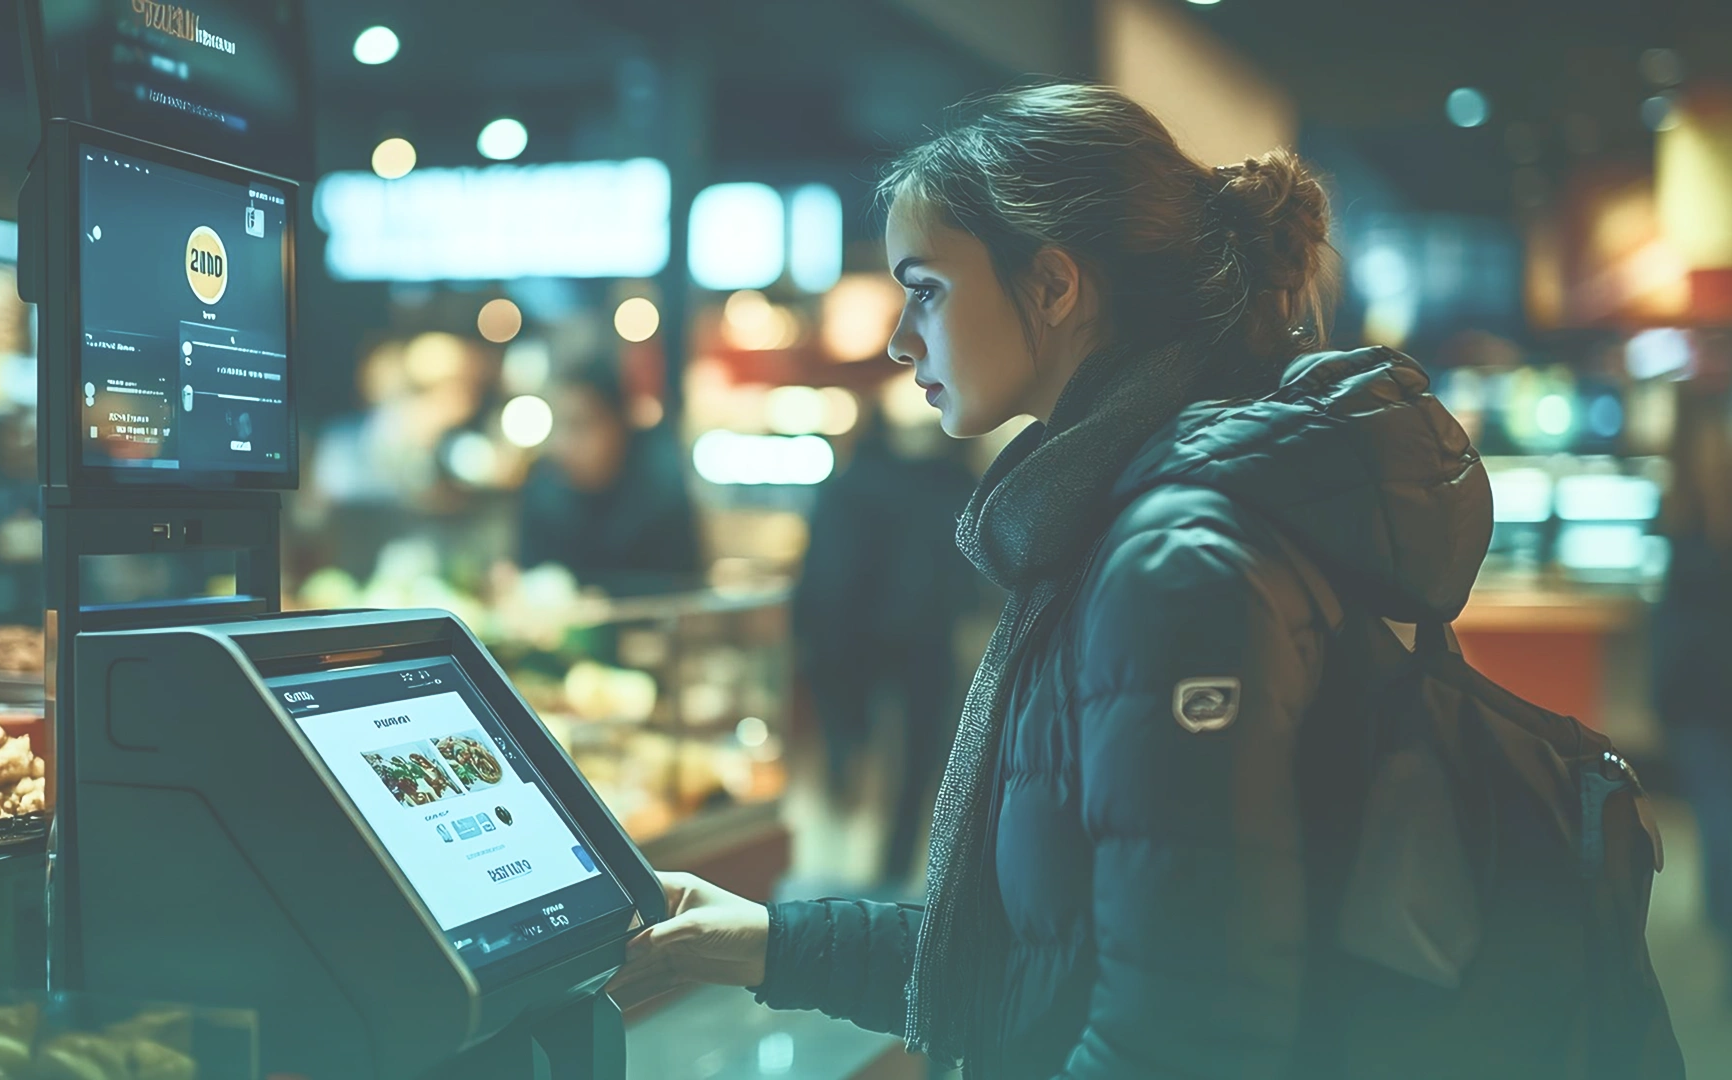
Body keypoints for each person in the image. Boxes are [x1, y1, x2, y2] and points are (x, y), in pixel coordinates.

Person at [607, 83, 1493, 1077]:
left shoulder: (1177, 562)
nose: (901, 339)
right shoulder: (1130, 520)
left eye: (927, 288)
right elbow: (1050, 960)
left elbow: (1180, 1044)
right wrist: (771, 943)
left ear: (1055, 286)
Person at [792, 408, 978, 884]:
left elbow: (824, 574)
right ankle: (892, 869)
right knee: (921, 758)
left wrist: (811, 634)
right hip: (926, 634)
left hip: (854, 636)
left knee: (849, 742)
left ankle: (844, 858)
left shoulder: (853, 482)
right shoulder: (950, 481)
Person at [1652, 380, 1732, 947]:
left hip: (1697, 688)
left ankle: (1725, 922)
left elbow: (1671, 618)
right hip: (1711, 684)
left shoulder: (1681, 509)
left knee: (1714, 810)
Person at [516, 366, 702, 594]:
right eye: (559, 426)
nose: (563, 445)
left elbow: (681, 589)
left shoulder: (661, 492)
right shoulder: (544, 490)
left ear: (619, 424)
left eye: (580, 425)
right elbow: (531, 578)